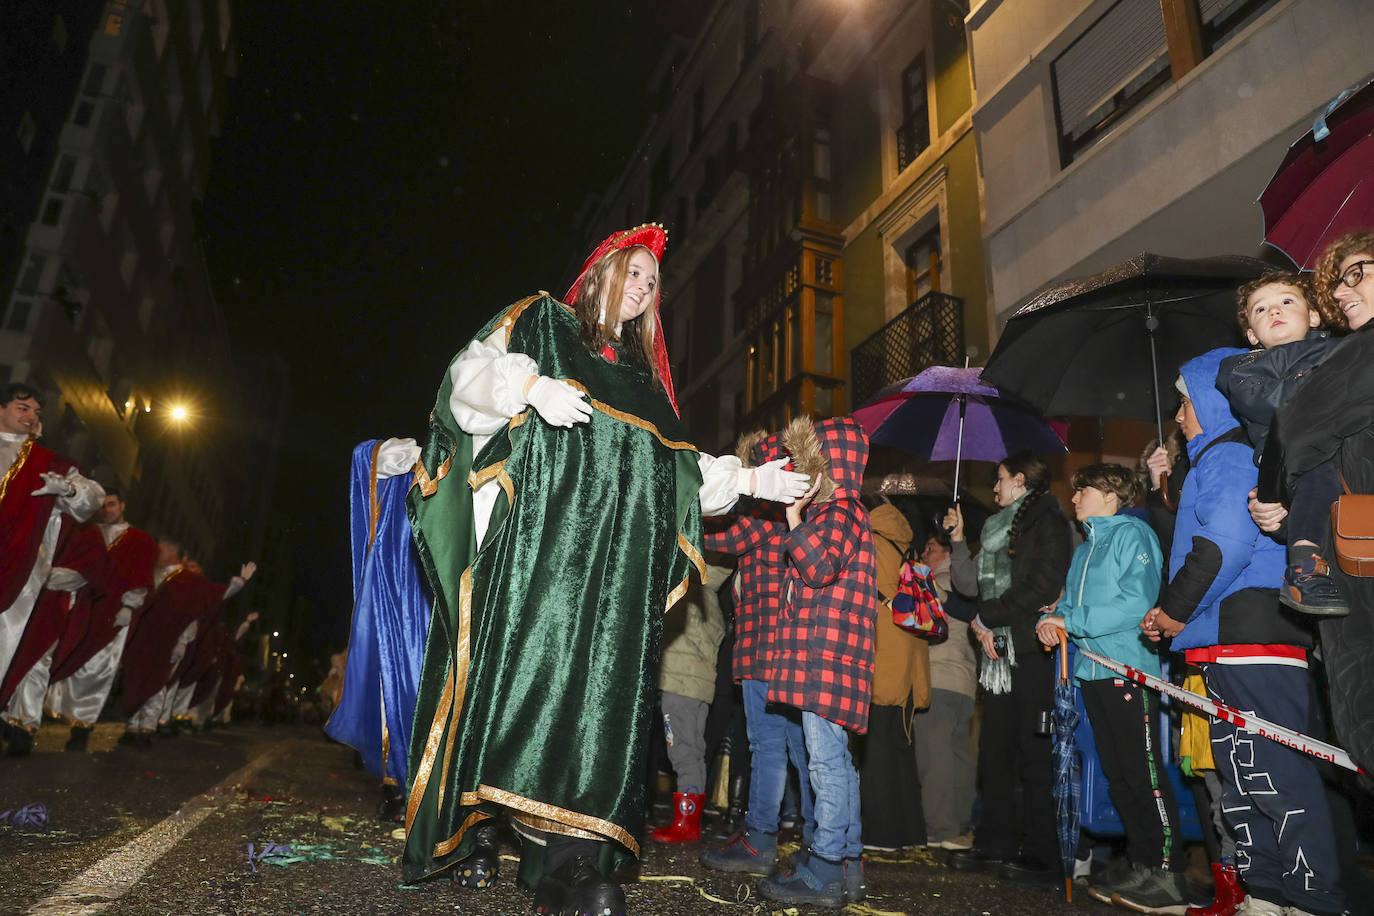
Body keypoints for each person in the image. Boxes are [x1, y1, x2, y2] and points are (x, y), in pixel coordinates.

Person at [397, 225, 809, 916]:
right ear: (601, 273)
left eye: (653, 282)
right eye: (636, 271)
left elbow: (678, 470)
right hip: (538, 557)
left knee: (597, 707)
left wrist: (751, 481)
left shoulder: (646, 383)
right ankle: (478, 829)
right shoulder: (542, 322)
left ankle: (568, 861)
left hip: (613, 579)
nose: (646, 287)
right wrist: (529, 387)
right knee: (516, 685)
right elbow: (466, 378)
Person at [1145, 350, 1345, 916]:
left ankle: (1313, 897)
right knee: (1241, 777)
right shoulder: (1211, 460)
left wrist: (1174, 609)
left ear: (1209, 399)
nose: (1179, 416)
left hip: (1251, 633)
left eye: (1184, 402)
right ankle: (1265, 893)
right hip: (1224, 634)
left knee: (1276, 775)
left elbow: (1224, 546)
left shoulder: (1229, 457)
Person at [1034, 463, 1183, 913]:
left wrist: (1071, 620)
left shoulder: (1131, 536)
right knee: (1118, 774)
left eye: (1083, 490)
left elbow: (1135, 603)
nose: (1074, 498)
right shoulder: (1085, 549)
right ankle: (1142, 864)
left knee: (1144, 773)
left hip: (1126, 670)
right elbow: (1076, 608)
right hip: (1093, 672)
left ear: (1112, 495)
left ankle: (1167, 872)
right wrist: (1055, 615)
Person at [1261, 229, 1374, 782]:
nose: (1344, 290)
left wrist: (1275, 496)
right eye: (1339, 280)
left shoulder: (1363, 350)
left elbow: (1300, 429)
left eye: (1359, 273)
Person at [756, 415, 879, 910]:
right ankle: (845, 865)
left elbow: (818, 568)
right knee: (837, 762)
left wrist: (793, 520)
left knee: (825, 763)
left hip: (826, 661)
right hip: (829, 659)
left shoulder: (842, 512)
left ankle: (826, 869)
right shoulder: (842, 513)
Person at [944, 452, 1072, 888]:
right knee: (995, 751)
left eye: (999, 478)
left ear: (1020, 480)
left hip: (1033, 653)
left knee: (1034, 755)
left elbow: (1039, 587)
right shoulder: (999, 528)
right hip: (1000, 652)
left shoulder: (1048, 523)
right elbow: (974, 587)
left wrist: (988, 618)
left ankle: (1043, 853)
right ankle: (995, 841)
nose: (994, 486)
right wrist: (961, 541)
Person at [701, 429, 816, 878]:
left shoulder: (761, 520)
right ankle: (808, 838)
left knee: (768, 745)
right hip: (787, 651)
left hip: (760, 651)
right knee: (796, 747)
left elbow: (717, 537)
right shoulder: (794, 517)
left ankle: (762, 838)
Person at [1214, 270, 1343, 615]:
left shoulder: (1343, 350)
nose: (1274, 311)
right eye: (1261, 309)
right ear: (1251, 336)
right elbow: (1272, 404)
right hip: (1288, 462)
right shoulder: (1241, 367)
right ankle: (1303, 565)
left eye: (1287, 301)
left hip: (1348, 463)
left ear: (1314, 315)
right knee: (1314, 461)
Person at [327, 437, 434, 822]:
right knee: (395, 686)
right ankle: (396, 786)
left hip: (446, 599)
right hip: (399, 597)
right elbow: (367, 458)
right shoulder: (412, 461)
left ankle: (441, 791)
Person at [0, 383, 103, 713]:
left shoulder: (50, 464)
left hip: (18, 571)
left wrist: (68, 491)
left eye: (36, 412)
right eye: (22, 408)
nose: (31, 416)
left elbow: (91, 500)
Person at [45, 490, 157, 752]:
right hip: (80, 606)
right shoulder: (87, 531)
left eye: (112, 504)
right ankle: (40, 714)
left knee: (96, 670)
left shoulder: (140, 540)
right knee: (62, 658)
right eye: (103, 506)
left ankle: (81, 727)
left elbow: (141, 575)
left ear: (122, 506)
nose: (107, 510)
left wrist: (130, 605)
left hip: (112, 613)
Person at [856, 495, 929, 852]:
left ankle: (881, 834)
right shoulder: (905, 545)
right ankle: (910, 832)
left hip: (881, 650)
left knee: (877, 749)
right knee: (900, 746)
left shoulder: (869, 540)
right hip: (907, 653)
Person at [1, 518, 108, 756]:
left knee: (36, 666)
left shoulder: (87, 530)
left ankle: (24, 727)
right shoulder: (35, 513)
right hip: (16, 600)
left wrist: (39, 573)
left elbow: (85, 574)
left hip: (50, 608)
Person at [650, 561, 729, 843]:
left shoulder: (686, 596)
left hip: (678, 684)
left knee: (681, 751)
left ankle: (686, 824)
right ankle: (690, 821)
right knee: (694, 751)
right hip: (700, 687)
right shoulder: (711, 600)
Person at [912, 531, 977, 851]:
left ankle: (940, 827)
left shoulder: (935, 582)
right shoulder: (968, 583)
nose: (925, 553)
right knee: (958, 756)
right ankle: (960, 823)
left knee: (934, 757)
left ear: (948, 553)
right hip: (964, 680)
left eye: (931, 547)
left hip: (937, 676)